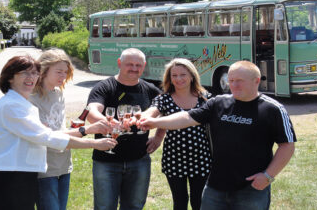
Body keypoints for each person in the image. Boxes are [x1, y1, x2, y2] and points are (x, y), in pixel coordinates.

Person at [140, 61, 296, 210]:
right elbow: (187, 117)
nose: (234, 85)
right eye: (231, 80)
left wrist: (268, 176)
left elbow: (287, 145)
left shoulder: (273, 109)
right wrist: (153, 122)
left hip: (251, 186)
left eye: (239, 81)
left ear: (256, 81)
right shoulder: (218, 103)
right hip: (215, 186)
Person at [0, 55, 117, 210]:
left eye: (34, 73)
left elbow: (45, 134)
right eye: (24, 73)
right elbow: (47, 137)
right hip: (9, 177)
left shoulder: (23, 104)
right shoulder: (11, 105)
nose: (31, 77)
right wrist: (94, 143)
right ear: (10, 77)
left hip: (24, 176)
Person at [29, 48, 112, 210]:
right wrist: (86, 130)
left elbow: (57, 128)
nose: (63, 76)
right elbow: (46, 137)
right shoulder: (31, 99)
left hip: (64, 164)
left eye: (65, 72)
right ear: (44, 70)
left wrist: (74, 128)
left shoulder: (59, 94)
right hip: (43, 168)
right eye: (58, 72)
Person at [86, 48, 161, 210]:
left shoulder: (150, 89)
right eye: (129, 64)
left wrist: (158, 138)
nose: (134, 68)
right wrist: (111, 124)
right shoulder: (104, 87)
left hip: (139, 160)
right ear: (119, 63)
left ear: (144, 66)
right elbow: (92, 113)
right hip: (106, 161)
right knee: (104, 207)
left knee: (134, 206)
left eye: (138, 65)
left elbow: (166, 112)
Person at [141, 58, 212, 210]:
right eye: (174, 75)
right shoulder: (164, 98)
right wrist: (144, 118)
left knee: (199, 201)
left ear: (192, 76)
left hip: (201, 157)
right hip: (174, 157)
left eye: (183, 74)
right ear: (169, 78)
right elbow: (153, 112)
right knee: (179, 201)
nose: (178, 79)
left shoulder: (205, 97)